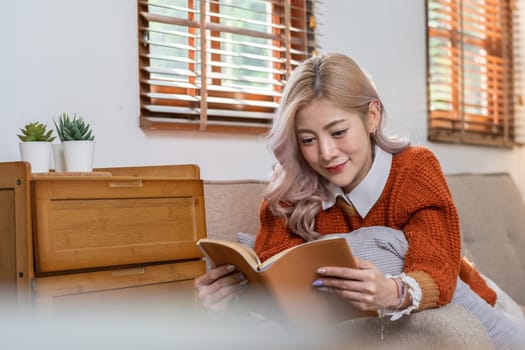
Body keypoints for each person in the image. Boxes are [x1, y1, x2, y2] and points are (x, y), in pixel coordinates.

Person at [194, 52, 525, 348]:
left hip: (480, 306)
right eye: (308, 139)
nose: (326, 153)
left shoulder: (415, 168)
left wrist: (391, 291)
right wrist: (228, 305)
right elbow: (280, 301)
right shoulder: (288, 195)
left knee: (383, 244)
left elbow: (436, 264)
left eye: (338, 132)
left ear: (372, 116)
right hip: (358, 331)